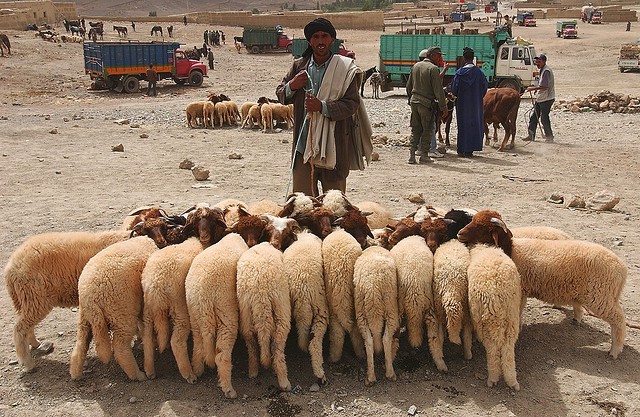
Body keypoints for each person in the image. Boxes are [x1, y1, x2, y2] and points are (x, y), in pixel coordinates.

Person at [275, 18, 372, 196]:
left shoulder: (344, 68)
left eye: (324, 36)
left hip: (334, 147)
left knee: (334, 207)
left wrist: (322, 107)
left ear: (332, 40)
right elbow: (280, 93)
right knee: (304, 207)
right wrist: (293, 85)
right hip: (304, 147)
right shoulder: (299, 66)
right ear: (310, 41)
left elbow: (351, 104)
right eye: (316, 37)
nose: (320, 41)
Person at [405, 46, 448, 164]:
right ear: (432, 55)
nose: (440, 58)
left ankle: (412, 155)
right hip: (426, 104)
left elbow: (409, 86)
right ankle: (424, 155)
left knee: (415, 129)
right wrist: (444, 107)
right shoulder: (433, 69)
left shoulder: (416, 66)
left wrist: (411, 99)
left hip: (414, 102)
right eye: (438, 56)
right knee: (428, 129)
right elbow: (438, 90)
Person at [450, 47, 488, 157]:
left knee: (463, 125)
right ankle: (471, 149)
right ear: (473, 58)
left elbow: (454, 89)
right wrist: (477, 96)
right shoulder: (479, 73)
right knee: (474, 124)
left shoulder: (460, 73)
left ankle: (462, 149)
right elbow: (484, 87)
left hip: (462, 104)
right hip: (475, 104)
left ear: (464, 58)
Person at [523, 54, 555, 142]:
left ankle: (549, 137)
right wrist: (536, 91)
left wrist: (532, 88)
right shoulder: (542, 70)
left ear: (544, 62)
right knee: (534, 117)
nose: (537, 63)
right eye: (536, 62)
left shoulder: (546, 71)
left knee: (544, 118)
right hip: (541, 98)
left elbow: (544, 86)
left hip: (547, 98)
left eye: (539, 62)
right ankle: (531, 136)